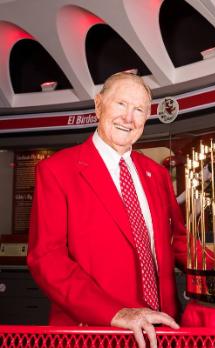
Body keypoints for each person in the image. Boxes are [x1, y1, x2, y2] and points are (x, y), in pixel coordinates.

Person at [27, 72, 189, 348]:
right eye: (121, 104)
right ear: (98, 105)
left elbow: (179, 243)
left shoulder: (157, 174)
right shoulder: (57, 171)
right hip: (97, 332)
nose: (129, 118)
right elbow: (47, 258)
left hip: (162, 330)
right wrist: (115, 313)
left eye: (139, 109)